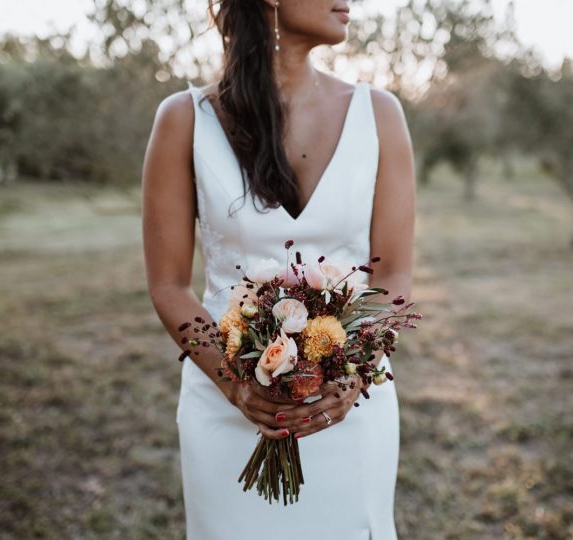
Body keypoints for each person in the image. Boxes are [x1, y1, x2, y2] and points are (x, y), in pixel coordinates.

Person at [141, 1, 415, 538]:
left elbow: (394, 274)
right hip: (226, 410)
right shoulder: (183, 120)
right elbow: (168, 284)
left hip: (351, 410)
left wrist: (354, 376)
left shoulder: (380, 114)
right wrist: (239, 387)